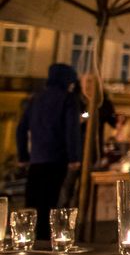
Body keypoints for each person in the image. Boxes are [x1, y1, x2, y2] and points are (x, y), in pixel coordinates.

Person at [16, 63, 83, 241]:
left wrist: (23, 156)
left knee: (33, 206)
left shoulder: (35, 99)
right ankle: (45, 244)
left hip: (36, 161)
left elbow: (21, 128)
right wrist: (74, 157)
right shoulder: (68, 99)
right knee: (51, 205)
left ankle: (29, 241)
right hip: (57, 160)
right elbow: (71, 130)